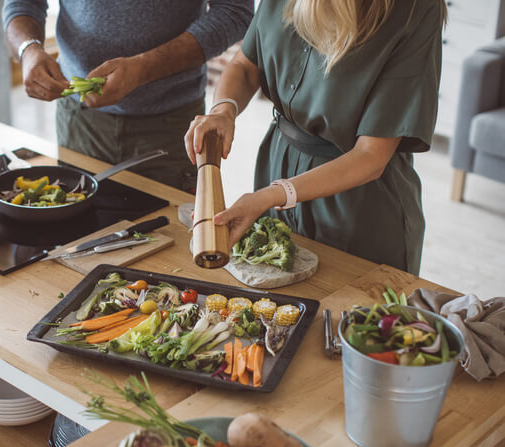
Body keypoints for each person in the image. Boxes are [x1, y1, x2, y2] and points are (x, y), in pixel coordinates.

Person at [184, 0, 447, 274]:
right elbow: (246, 64)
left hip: (359, 203)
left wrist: (272, 195)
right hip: (277, 165)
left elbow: (371, 155)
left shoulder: (416, 9)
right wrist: (224, 109)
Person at [3, 0, 253, 192]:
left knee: (170, 248)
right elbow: (22, 3)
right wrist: (28, 49)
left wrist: (143, 68)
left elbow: (234, 11)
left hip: (172, 128)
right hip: (78, 123)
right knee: (76, 242)